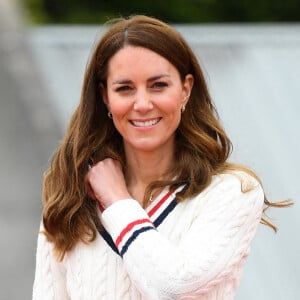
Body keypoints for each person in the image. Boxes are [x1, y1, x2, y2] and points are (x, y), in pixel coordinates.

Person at [32, 15, 292, 300]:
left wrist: (118, 200)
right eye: (124, 88)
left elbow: (172, 288)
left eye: (158, 85)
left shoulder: (232, 191)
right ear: (104, 96)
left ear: (185, 89)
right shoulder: (71, 196)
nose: (142, 104)